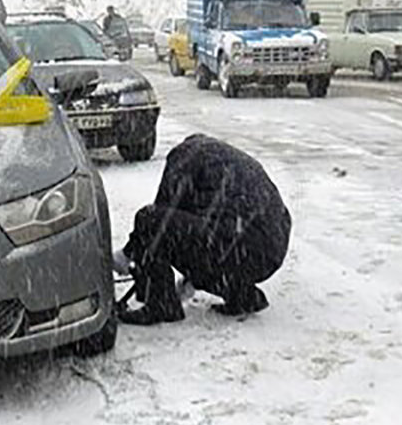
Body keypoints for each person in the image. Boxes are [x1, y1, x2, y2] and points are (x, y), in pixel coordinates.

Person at [115, 134, 291, 326]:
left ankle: (161, 306)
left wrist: (128, 254)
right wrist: (194, 275)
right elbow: (203, 228)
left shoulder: (184, 155)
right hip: (270, 249)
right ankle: (242, 297)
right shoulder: (223, 162)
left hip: (244, 240)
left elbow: (160, 216)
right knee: (215, 246)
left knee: (149, 218)